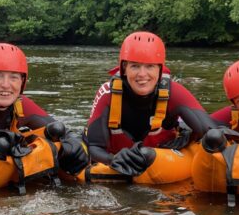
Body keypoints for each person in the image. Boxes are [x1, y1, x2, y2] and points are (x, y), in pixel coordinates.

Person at [86, 31, 216, 176]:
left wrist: (189, 135)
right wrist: (112, 159)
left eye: (150, 66)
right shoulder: (107, 94)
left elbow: (211, 131)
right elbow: (94, 146)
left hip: (162, 162)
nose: (142, 74)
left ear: (160, 70)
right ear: (124, 69)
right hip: (116, 159)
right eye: (135, 66)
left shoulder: (174, 92)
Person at [0, 43, 88, 191]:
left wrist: (74, 144)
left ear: (22, 82)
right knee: (0, 145)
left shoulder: (21, 104)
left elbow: (61, 130)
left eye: (14, 77)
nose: (6, 85)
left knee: (55, 132)